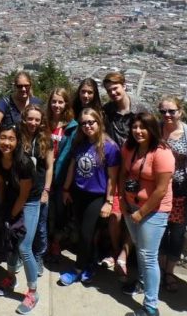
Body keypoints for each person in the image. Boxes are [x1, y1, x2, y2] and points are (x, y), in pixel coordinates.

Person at [120, 113, 175, 316]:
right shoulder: (130, 147)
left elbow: (161, 190)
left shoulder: (162, 153)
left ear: (152, 129)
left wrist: (141, 213)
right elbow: (123, 174)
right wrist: (122, 200)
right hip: (131, 206)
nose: (138, 131)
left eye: (142, 127)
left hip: (153, 211)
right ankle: (142, 283)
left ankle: (151, 307)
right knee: (141, 249)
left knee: (148, 256)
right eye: (135, 127)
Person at [58, 108, 120, 286]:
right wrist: (66, 189)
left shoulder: (109, 147)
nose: (87, 126)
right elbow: (72, 167)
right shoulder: (80, 143)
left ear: (99, 122)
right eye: (83, 123)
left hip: (97, 196)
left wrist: (109, 201)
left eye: (91, 122)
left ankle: (77, 269)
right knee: (85, 234)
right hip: (79, 194)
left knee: (86, 234)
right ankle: (90, 264)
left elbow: (113, 178)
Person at [0, 124, 42, 315]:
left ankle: (33, 292)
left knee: (24, 246)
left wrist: (11, 216)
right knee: (10, 239)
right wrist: (2, 209)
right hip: (12, 195)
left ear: (18, 141)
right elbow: (0, 184)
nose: (6, 142)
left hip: (29, 201)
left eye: (11, 139)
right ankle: (10, 278)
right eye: (3, 138)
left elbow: (24, 195)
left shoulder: (24, 163)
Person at [102, 71, 149, 278]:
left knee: (133, 212)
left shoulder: (139, 109)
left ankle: (124, 253)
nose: (113, 93)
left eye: (115, 88)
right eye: (109, 90)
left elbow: (150, 134)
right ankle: (115, 251)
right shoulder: (107, 111)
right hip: (114, 168)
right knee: (115, 214)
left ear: (124, 85)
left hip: (136, 168)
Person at [157, 96, 187, 293]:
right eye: (163, 111)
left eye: (171, 111)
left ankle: (169, 271)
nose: (167, 115)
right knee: (158, 230)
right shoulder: (155, 130)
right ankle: (157, 268)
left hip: (181, 194)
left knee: (175, 233)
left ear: (180, 112)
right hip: (157, 190)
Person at [18, 104, 53, 276]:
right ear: (24, 119)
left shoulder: (45, 139)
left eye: (37, 119)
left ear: (41, 122)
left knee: (39, 227)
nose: (33, 122)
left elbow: (49, 167)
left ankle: (38, 256)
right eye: (30, 118)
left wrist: (46, 190)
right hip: (19, 190)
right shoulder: (17, 136)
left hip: (37, 191)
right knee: (18, 225)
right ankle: (18, 256)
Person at [45, 88, 78, 263]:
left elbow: (72, 155)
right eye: (54, 101)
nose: (57, 105)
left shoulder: (72, 126)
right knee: (44, 211)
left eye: (60, 102)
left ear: (66, 104)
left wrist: (67, 183)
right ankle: (43, 242)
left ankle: (56, 242)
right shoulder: (45, 123)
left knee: (59, 211)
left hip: (62, 175)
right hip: (43, 173)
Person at [0, 71, 43, 150]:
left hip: (32, 149)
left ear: (31, 85)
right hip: (9, 149)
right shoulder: (5, 103)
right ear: (15, 87)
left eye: (26, 86)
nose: (23, 89)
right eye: (20, 86)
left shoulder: (37, 103)